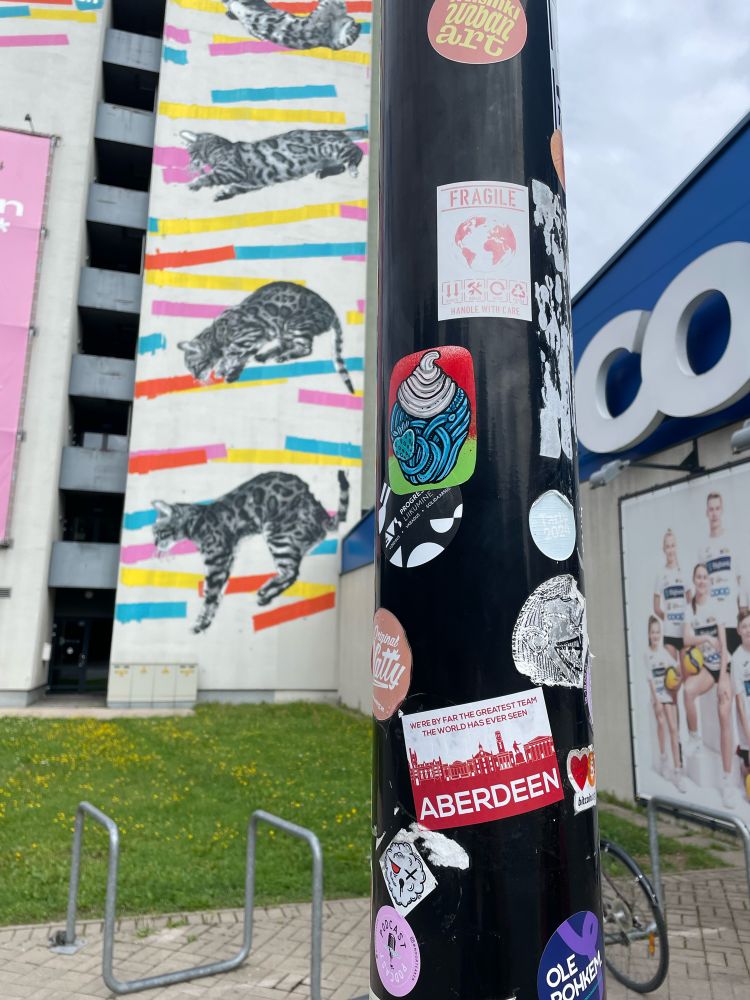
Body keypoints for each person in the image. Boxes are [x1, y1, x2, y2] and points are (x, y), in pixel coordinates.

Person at [682, 563, 738, 808]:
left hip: (724, 667)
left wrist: (724, 676)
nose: (702, 581)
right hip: (707, 669)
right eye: (699, 577)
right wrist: (704, 638)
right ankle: (694, 737)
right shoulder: (690, 609)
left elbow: (724, 646)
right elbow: (686, 639)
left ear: (709, 581)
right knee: (688, 691)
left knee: (724, 714)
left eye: (706, 577)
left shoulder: (717, 606)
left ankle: (726, 783)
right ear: (694, 580)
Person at [697, 491, 747, 654]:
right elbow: (702, 587)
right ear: (706, 512)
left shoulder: (732, 540)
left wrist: (743, 609)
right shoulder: (703, 548)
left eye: (717, 508)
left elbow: (741, 579)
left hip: (732, 619)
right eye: (711, 509)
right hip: (713, 622)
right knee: (720, 674)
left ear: (722, 510)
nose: (714, 513)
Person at [645, 615, 685, 792]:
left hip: (668, 694)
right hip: (657, 695)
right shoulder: (648, 654)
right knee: (661, 723)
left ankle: (678, 771)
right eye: (653, 632)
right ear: (649, 634)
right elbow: (650, 680)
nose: (655, 635)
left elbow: (677, 671)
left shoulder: (664, 654)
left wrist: (675, 683)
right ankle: (663, 759)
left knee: (674, 730)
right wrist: (656, 699)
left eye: (658, 632)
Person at [653, 528, 687, 665]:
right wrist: (668, 618)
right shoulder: (661, 575)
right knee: (672, 678)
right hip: (669, 633)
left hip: (685, 632)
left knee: (687, 676)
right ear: (664, 549)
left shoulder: (683, 572)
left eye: (673, 546)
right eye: (667, 546)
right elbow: (656, 608)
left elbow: (691, 603)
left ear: (676, 547)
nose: (670, 550)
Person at [732, 609, 750, 802]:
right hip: (748, 727)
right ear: (738, 630)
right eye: (744, 626)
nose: (748, 630)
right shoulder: (737, 660)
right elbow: (740, 705)